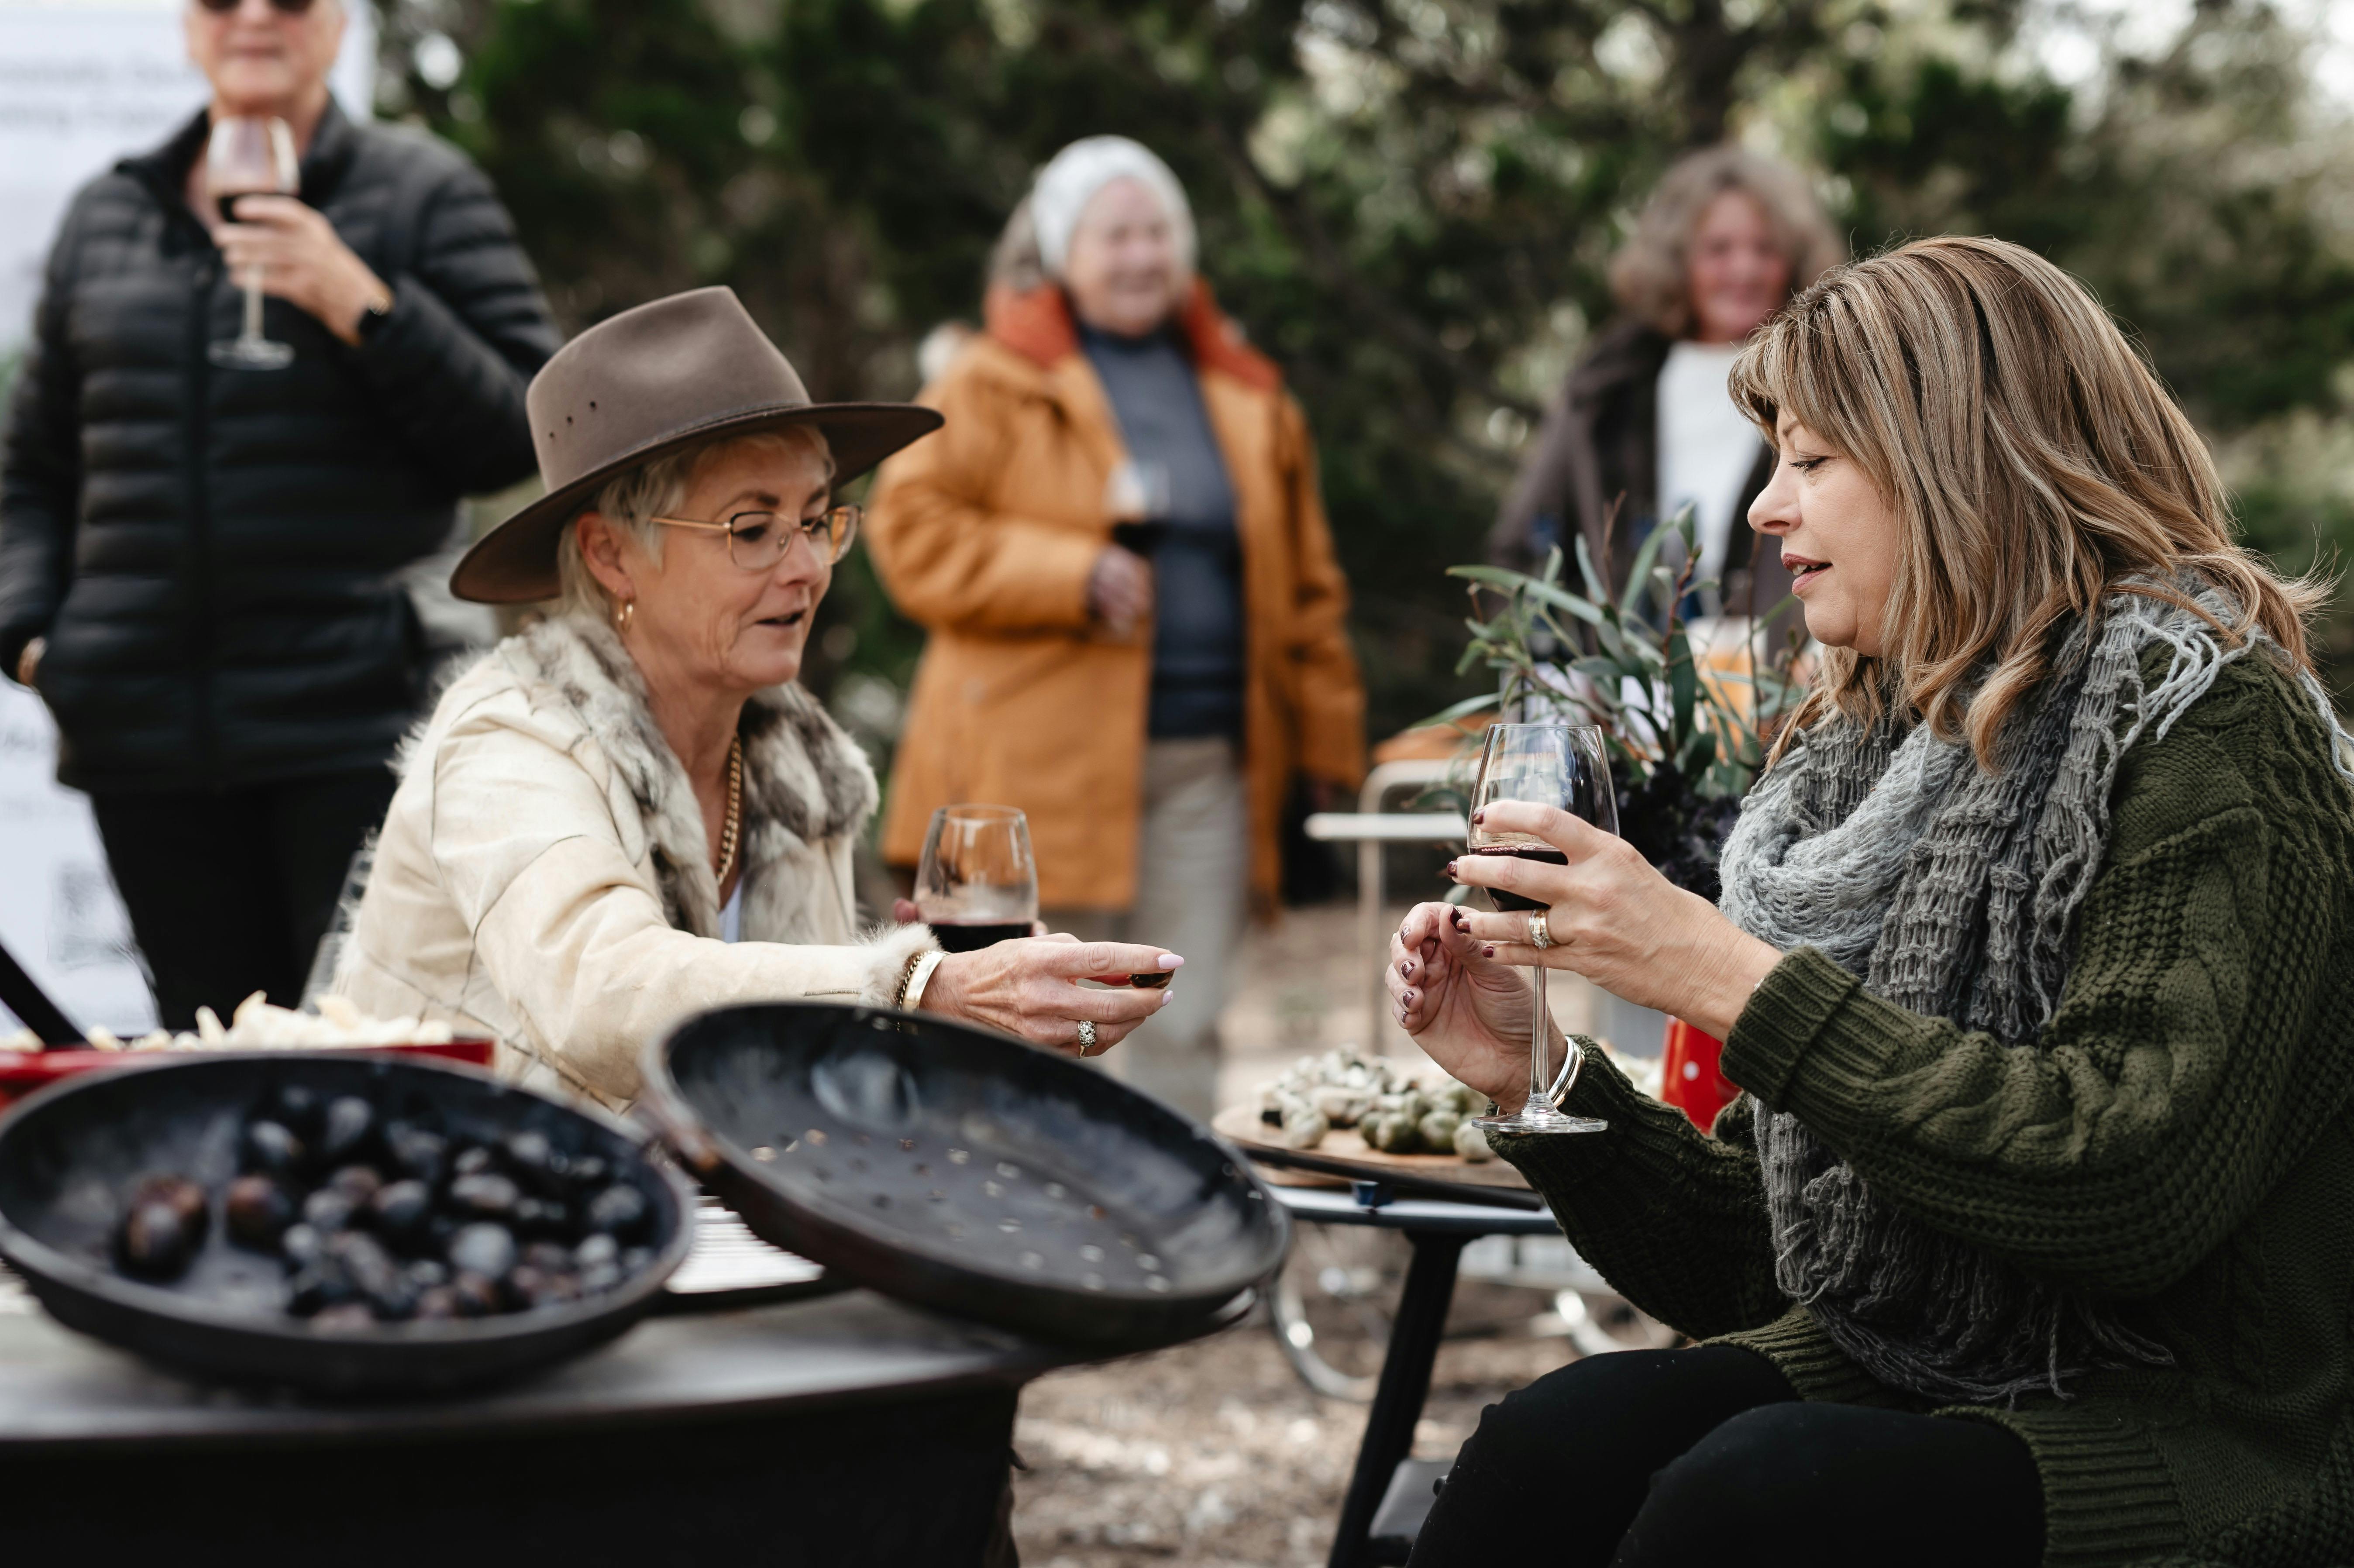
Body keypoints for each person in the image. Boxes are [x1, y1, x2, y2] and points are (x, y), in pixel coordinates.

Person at [1391, 237, 2354, 1567]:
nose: (1762, 510)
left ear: (1957, 456)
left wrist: (1725, 974)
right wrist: (1541, 1082)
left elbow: (2126, 1192)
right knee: (1550, 1446)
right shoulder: (1883, 752)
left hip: (2186, 1422)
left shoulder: (2213, 734)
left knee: (1759, 1508)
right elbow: (1786, 1262)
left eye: (1811, 460)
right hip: (1920, 1360)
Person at [331, 288, 1182, 1110]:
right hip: (455, 1216)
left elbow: (786, 1072)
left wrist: (942, 1007)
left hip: (692, 1223)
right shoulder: (508, 742)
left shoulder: (790, 760)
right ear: (611, 555)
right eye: (751, 528)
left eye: (816, 520)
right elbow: (600, 991)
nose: (807, 566)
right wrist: (915, 984)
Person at [0, 0, 559, 1028]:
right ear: (188, 28)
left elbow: (527, 427)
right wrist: (37, 643)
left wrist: (363, 305)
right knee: (209, 1053)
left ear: (338, 24)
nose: (256, 14)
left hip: (351, 729)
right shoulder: (109, 213)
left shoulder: (422, 192)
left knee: (368, 1050)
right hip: (146, 737)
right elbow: (33, 467)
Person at [864, 136, 1365, 1119]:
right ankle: (1019, 1247)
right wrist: (1069, 571)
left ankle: (1165, 1242)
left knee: (1179, 1009)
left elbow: (1305, 586)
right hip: (1033, 761)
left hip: (1206, 765)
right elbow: (908, 531)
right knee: (1035, 1013)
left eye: (1156, 233)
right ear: (1058, 251)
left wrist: (1324, 744)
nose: (1139, 256)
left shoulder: (1247, 392)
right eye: (1113, 236)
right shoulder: (989, 377)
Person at [1489, 146, 1843, 620]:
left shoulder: (1828, 380)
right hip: (1631, 675)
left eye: (1765, 248)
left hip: (1787, 674)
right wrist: (1573, 668)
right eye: (1719, 249)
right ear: (1678, 261)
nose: (1744, 270)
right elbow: (1521, 555)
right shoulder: (1606, 389)